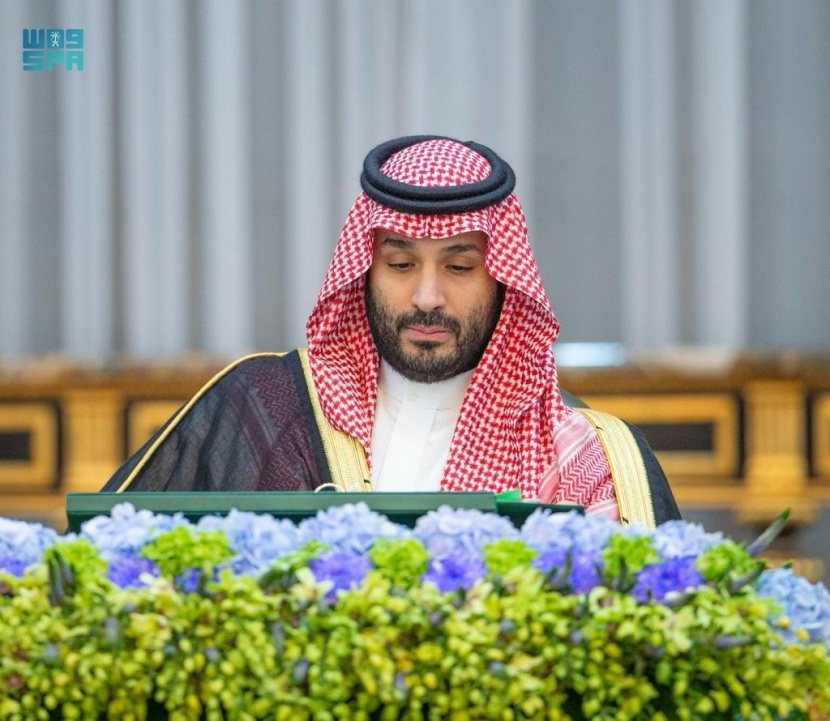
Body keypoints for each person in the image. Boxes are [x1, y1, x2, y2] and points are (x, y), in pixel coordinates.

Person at [102, 135, 681, 526]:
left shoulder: (585, 459)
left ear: (503, 280)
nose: (427, 298)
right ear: (364, 272)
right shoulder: (264, 406)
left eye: (459, 267)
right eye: (401, 265)